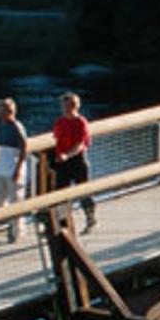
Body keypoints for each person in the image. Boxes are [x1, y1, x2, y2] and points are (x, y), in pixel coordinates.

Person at [51, 91, 98, 233]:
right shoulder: (60, 122)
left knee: (83, 192)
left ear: (75, 106)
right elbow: (56, 139)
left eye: (69, 106)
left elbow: (80, 145)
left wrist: (67, 155)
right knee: (60, 193)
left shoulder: (80, 122)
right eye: (64, 106)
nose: (66, 109)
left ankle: (91, 219)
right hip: (63, 163)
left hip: (78, 160)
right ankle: (63, 223)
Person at [0, 97, 28, 243]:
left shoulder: (16, 126)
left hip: (14, 170)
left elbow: (24, 147)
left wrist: (18, 169)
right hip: (1, 170)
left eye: (2, 109)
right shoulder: (2, 125)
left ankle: (17, 233)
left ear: (10, 111)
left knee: (16, 202)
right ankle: (6, 226)